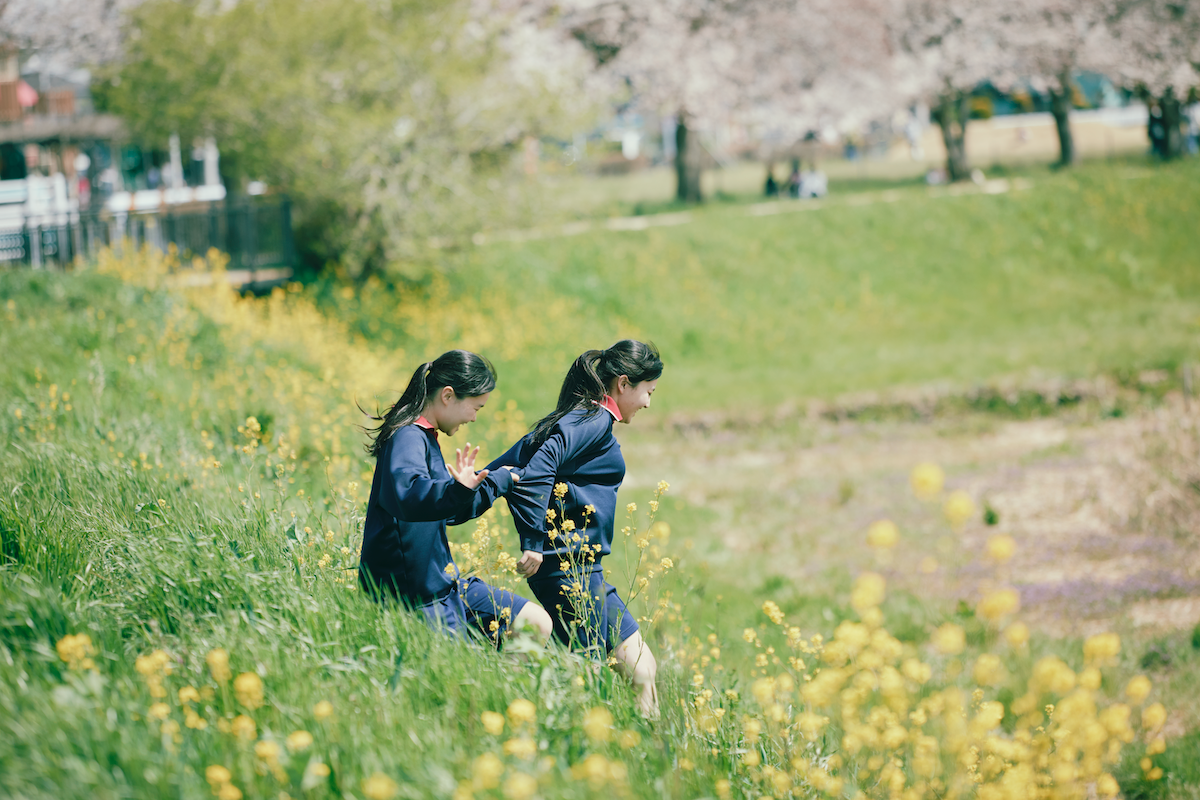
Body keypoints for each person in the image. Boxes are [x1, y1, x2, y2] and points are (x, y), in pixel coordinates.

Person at [487, 341, 663, 716]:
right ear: (624, 384)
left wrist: (461, 491)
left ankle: (649, 742)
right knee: (589, 677)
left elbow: (510, 467)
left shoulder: (579, 418)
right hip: (568, 571)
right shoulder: (592, 420)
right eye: (648, 392)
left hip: (581, 570)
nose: (648, 403)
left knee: (642, 667)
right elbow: (539, 466)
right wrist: (533, 540)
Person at [359, 350, 553, 646]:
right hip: (415, 600)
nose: (474, 418)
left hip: (444, 587)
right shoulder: (407, 436)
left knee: (535, 622)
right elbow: (409, 495)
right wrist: (458, 489)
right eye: (475, 407)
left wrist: (497, 481)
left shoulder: (424, 436)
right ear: (448, 396)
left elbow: (447, 509)